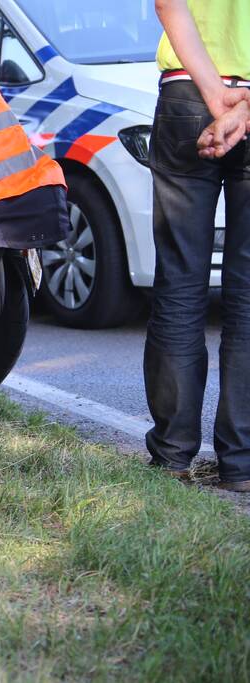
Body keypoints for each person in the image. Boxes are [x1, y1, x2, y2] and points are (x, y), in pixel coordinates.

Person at [147, 0, 250, 491]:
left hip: (187, 94)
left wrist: (215, 98)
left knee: (181, 284)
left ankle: (172, 456)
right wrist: (242, 106)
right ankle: (242, 464)